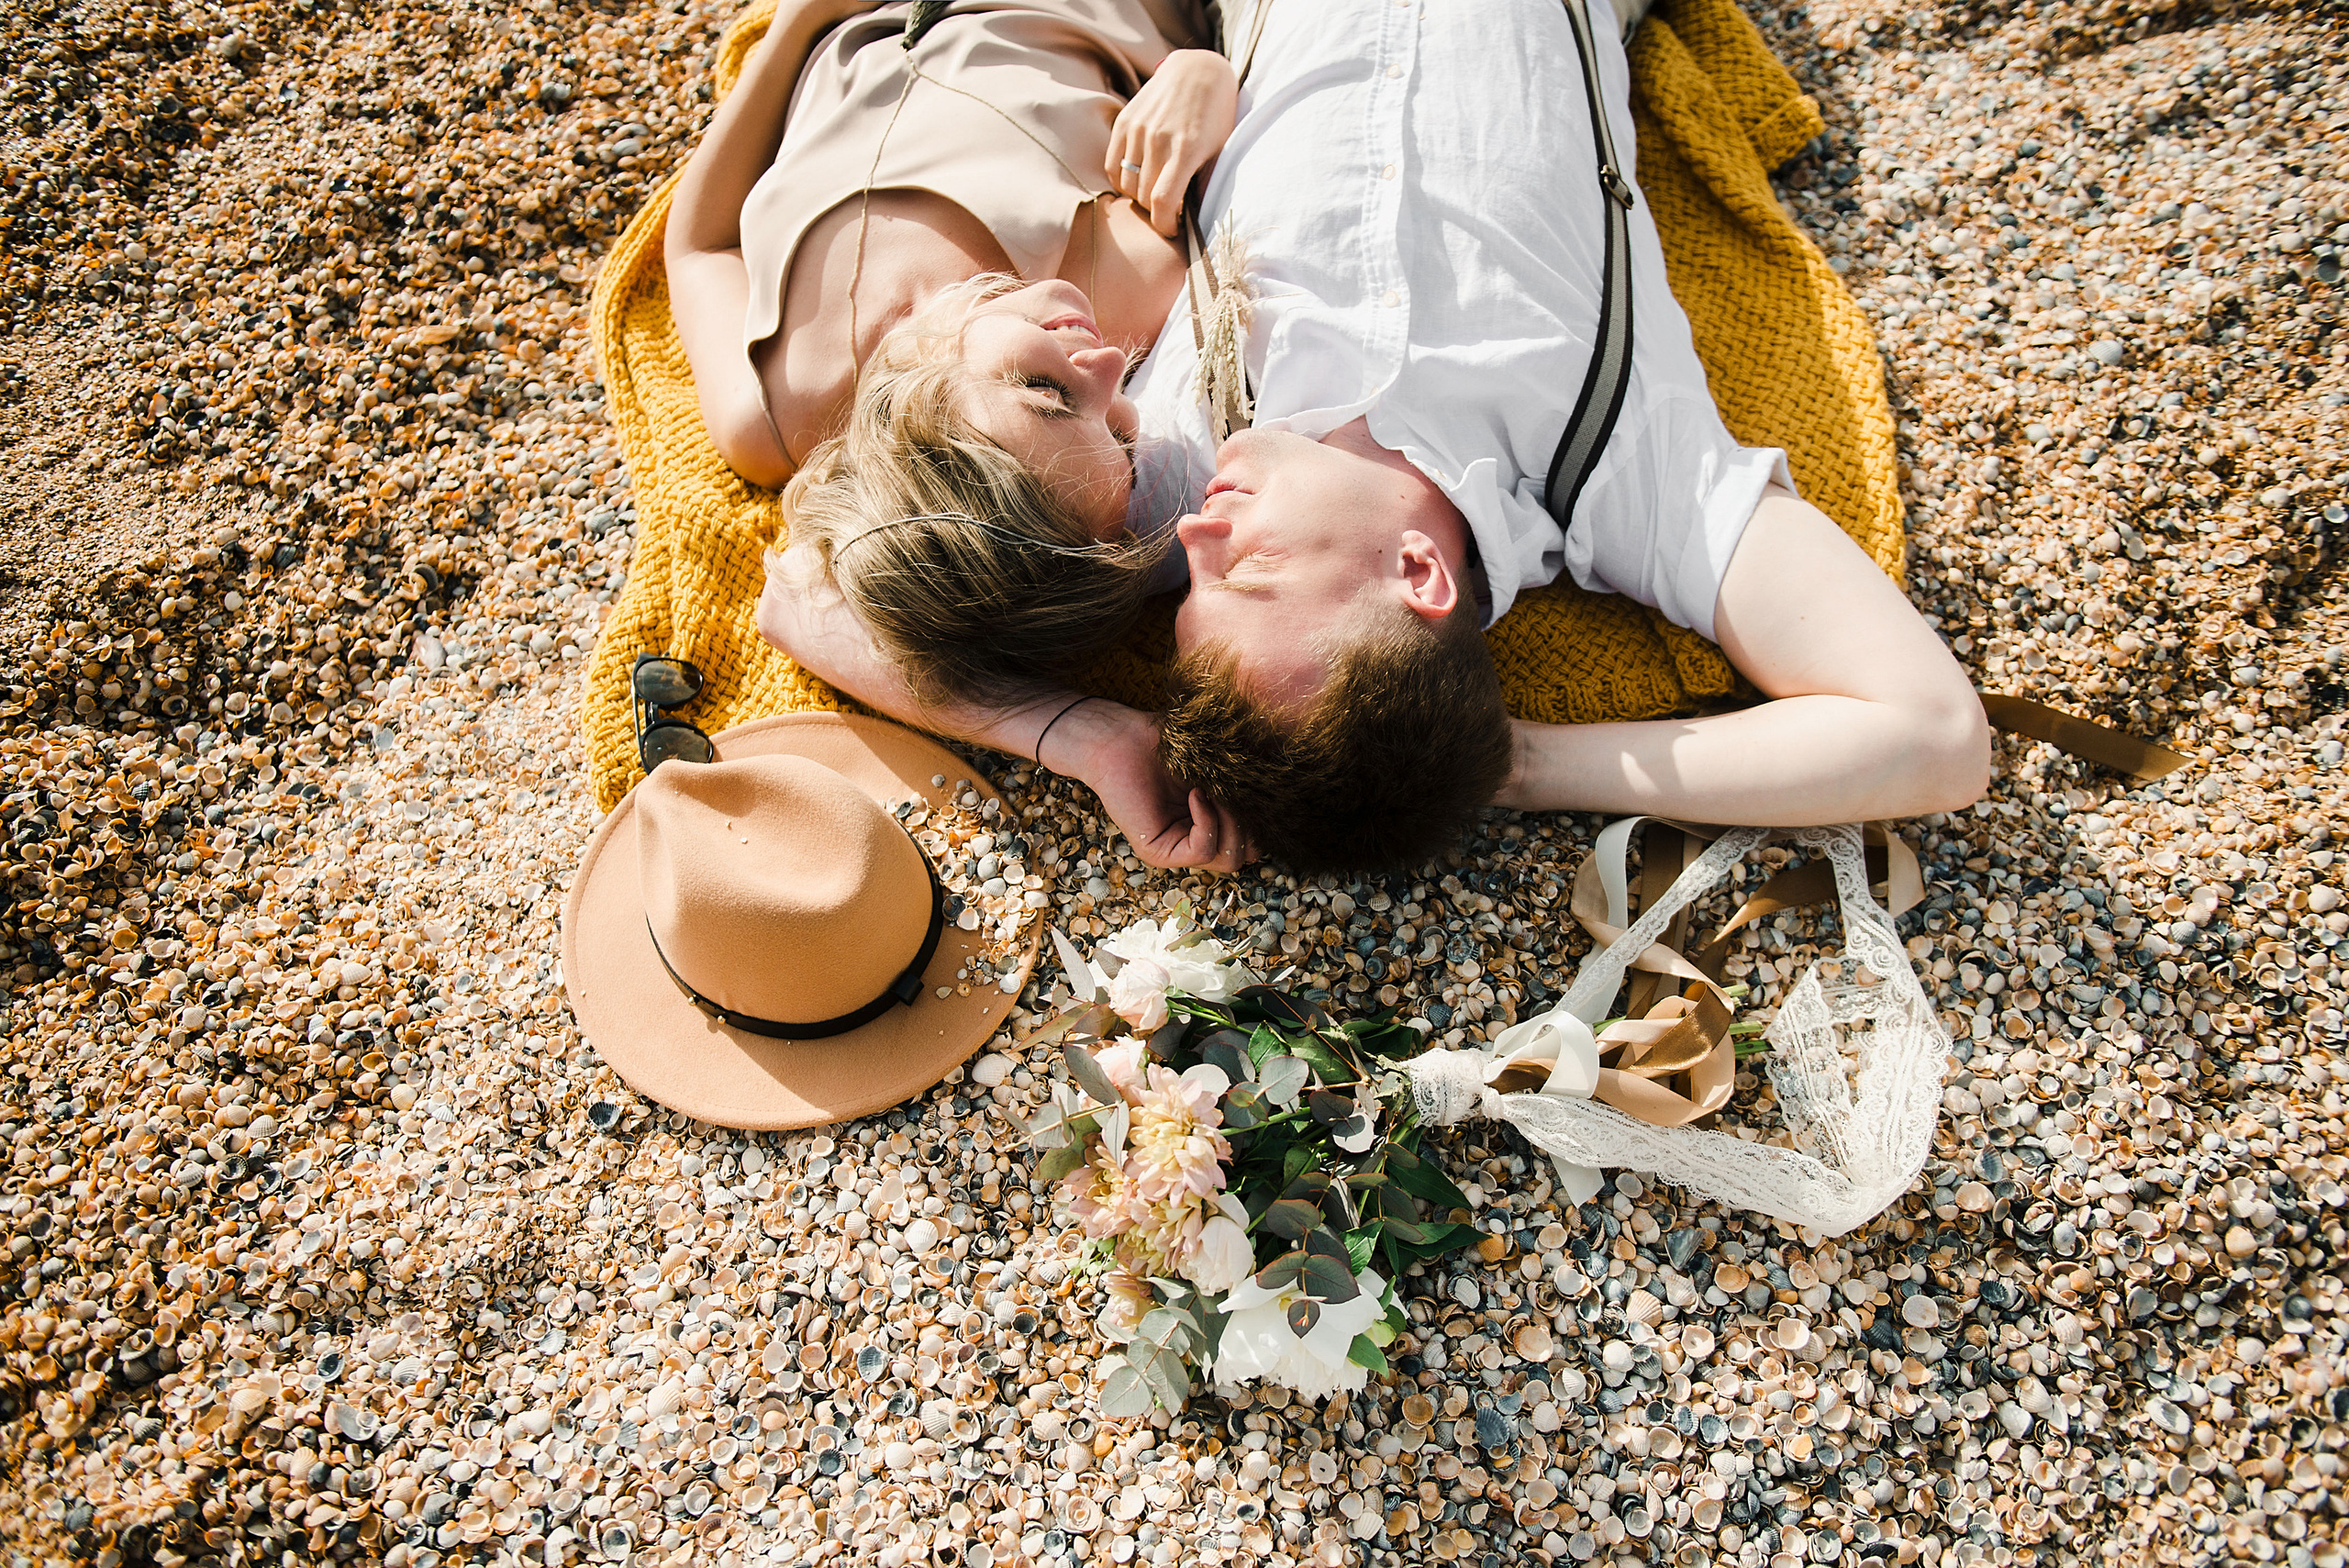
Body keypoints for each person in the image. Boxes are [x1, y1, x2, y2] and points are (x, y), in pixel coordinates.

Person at [763, 0, 1990, 873]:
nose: (1191, 531)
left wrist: (1089, 737)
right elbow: (1936, 740)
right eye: (1243, 570)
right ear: (1418, 573)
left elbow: (808, 594)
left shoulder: (1178, 466)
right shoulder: (1617, 470)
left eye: (1190, 580)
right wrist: (1521, 767)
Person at [667, 0, 1241, 706]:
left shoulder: (771, 411)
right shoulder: (1135, 274)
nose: (1110, 370)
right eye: (1124, 437)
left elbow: (698, 246)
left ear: (916, 412)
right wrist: (1205, 75)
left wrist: (799, 23)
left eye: (1045, 391)